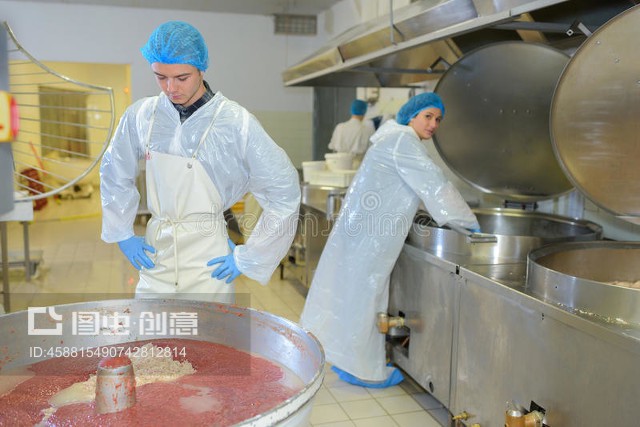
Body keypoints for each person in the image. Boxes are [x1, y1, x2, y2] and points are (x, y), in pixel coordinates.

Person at [100, 21, 300, 304]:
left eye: (182, 77)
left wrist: (251, 255)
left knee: (207, 340)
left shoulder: (234, 122)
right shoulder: (143, 115)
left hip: (208, 257)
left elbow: (284, 190)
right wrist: (121, 233)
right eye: (161, 77)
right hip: (157, 252)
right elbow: (114, 171)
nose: (171, 88)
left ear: (201, 68)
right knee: (151, 341)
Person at [299, 92, 479, 388]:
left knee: (349, 294)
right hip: (371, 237)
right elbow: (434, 183)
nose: (434, 124)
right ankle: (365, 370)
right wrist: (468, 224)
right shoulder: (403, 140)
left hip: (360, 232)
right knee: (366, 297)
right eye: (428, 117)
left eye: (438, 119)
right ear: (412, 116)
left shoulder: (393, 138)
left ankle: (344, 358)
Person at [328, 99, 376, 164]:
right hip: (357, 165)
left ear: (351, 110)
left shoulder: (340, 127)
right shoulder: (366, 130)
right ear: (364, 112)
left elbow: (332, 146)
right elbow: (371, 150)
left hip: (339, 164)